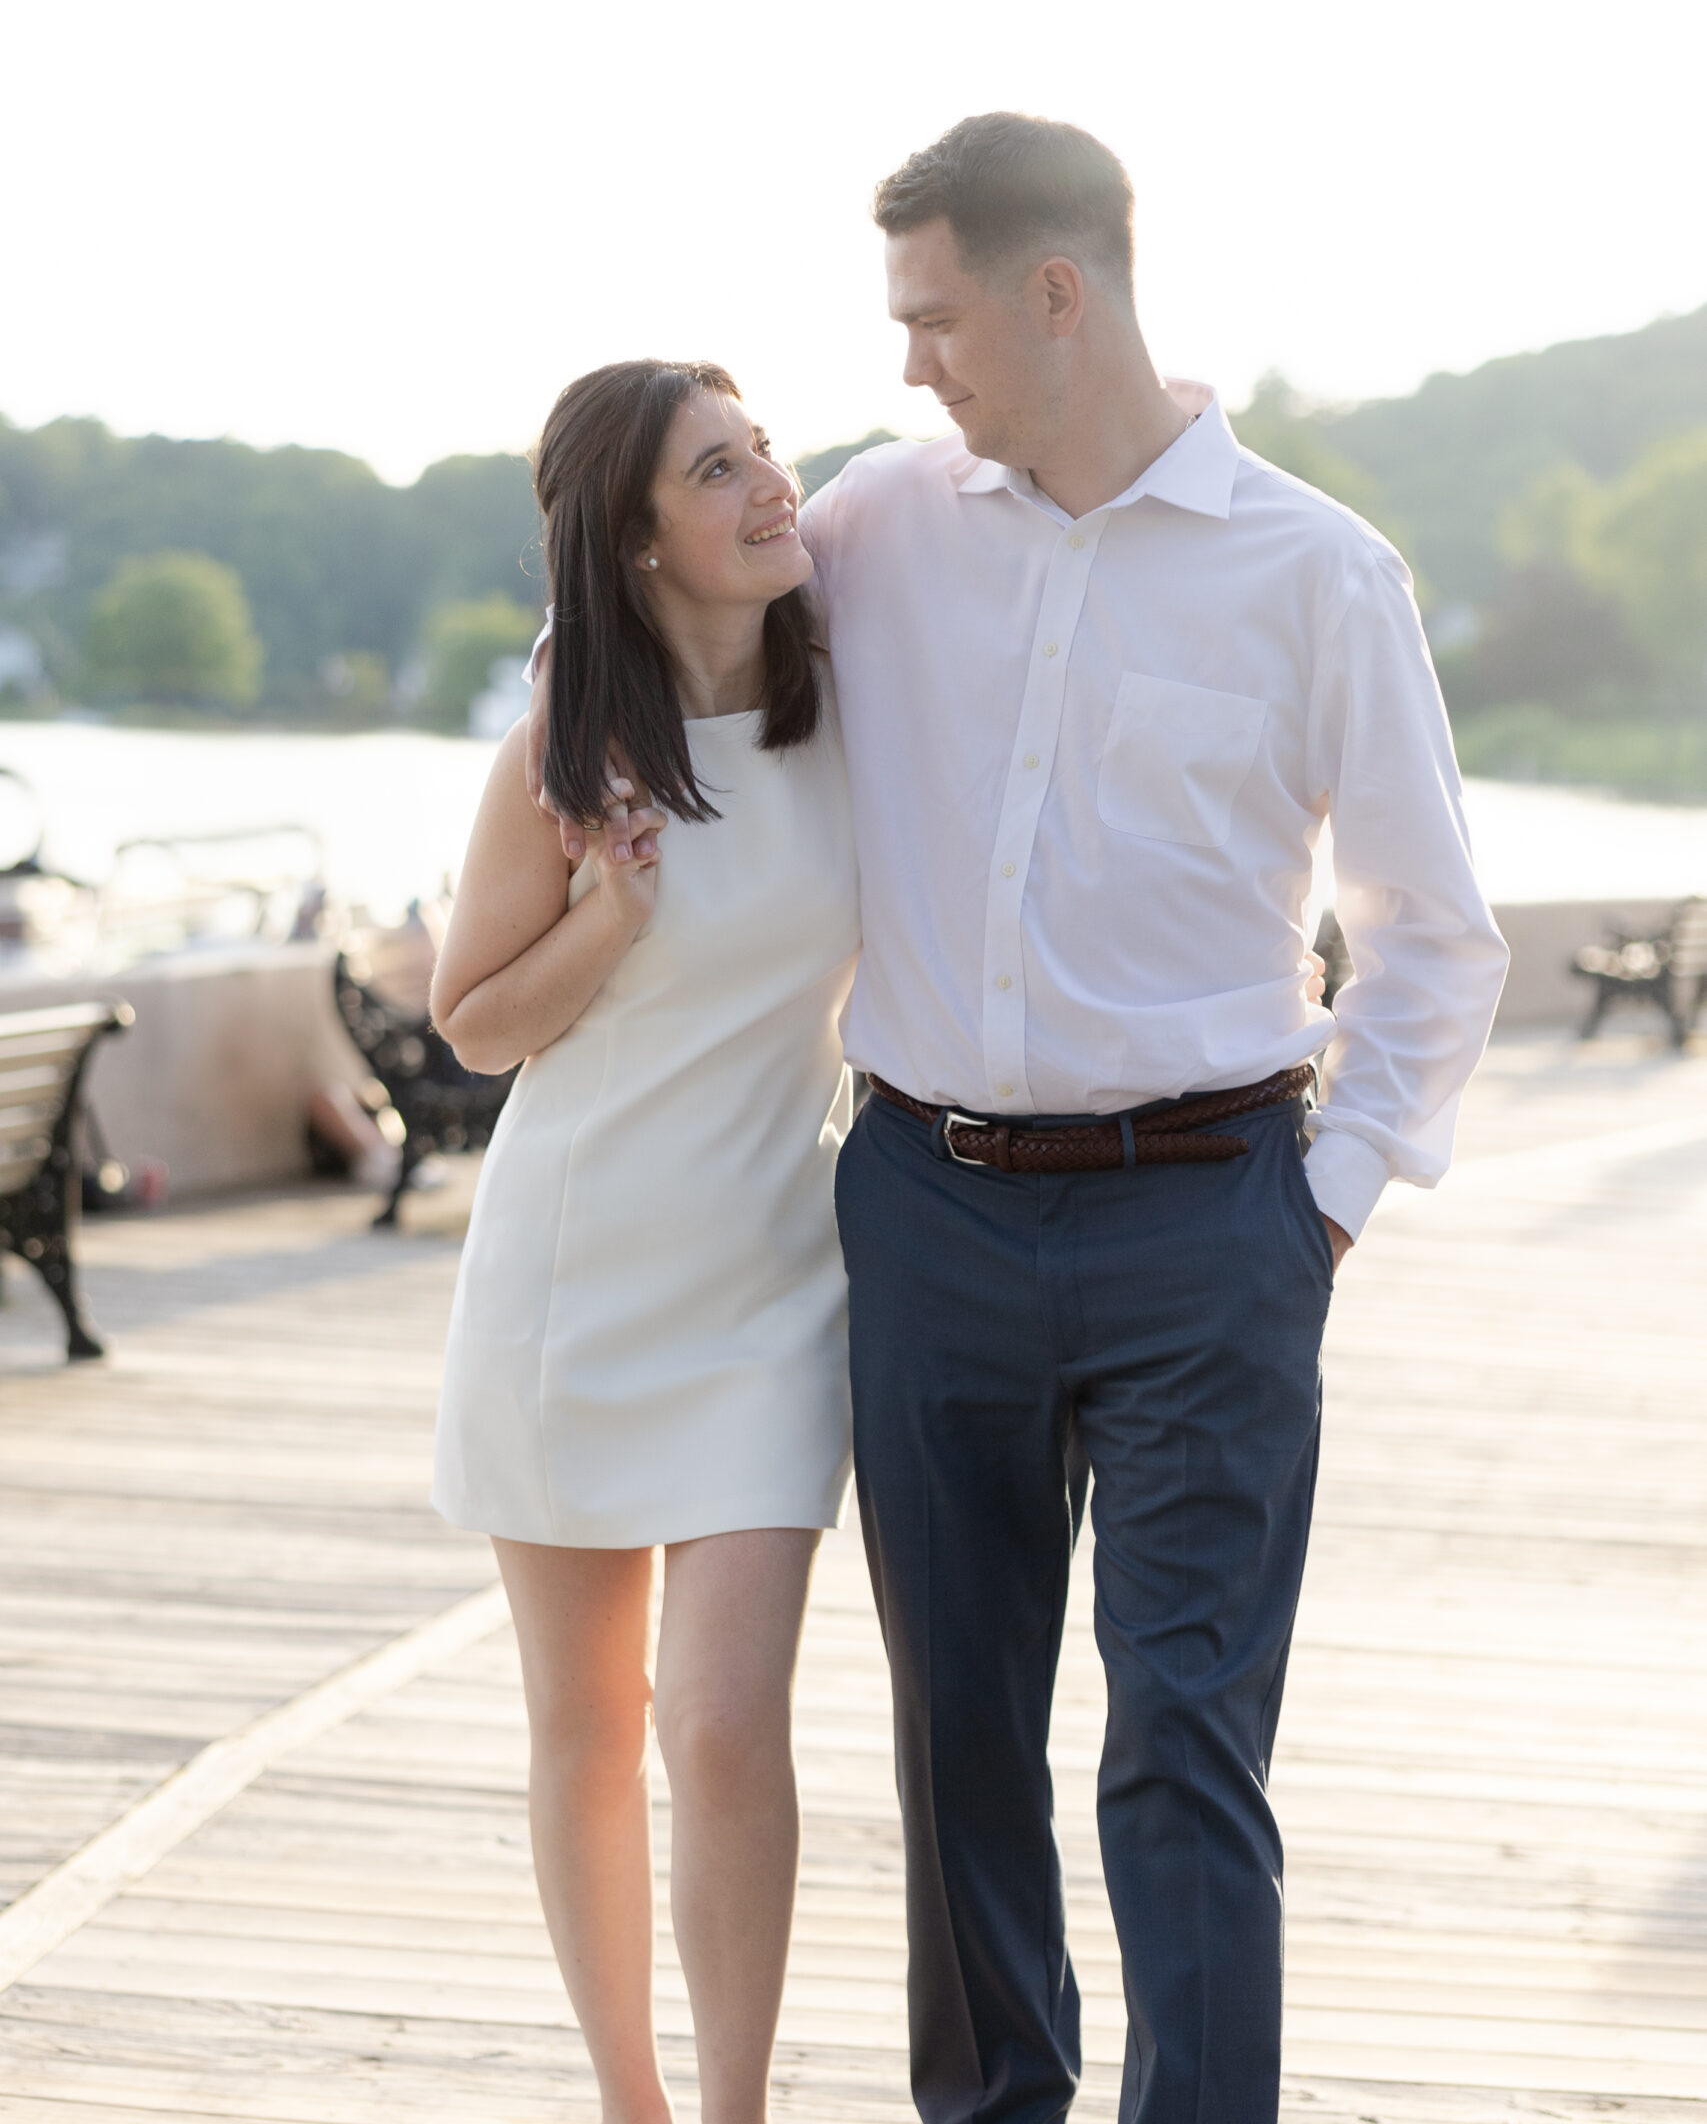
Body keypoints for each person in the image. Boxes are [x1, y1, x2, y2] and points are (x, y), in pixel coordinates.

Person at [530, 115, 1508, 2124]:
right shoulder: (880, 523)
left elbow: (1433, 938)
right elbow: (651, 612)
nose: (906, 365)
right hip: (929, 1208)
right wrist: (581, 764)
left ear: (1055, 293)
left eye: (934, 317)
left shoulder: (1317, 574)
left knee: (1183, 1739)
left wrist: (1311, 1208)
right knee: (955, 1738)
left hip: (1210, 1220)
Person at [431, 357, 860, 2124]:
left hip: (775, 1289)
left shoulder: (854, 704)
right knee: (589, 1724)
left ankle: (736, 2106)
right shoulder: (565, 755)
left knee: (724, 1723)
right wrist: (609, 909)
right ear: (636, 541)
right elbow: (472, 1024)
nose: (772, 486)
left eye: (764, 449)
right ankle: (634, 2101)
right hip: (571, 1286)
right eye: (719, 470)